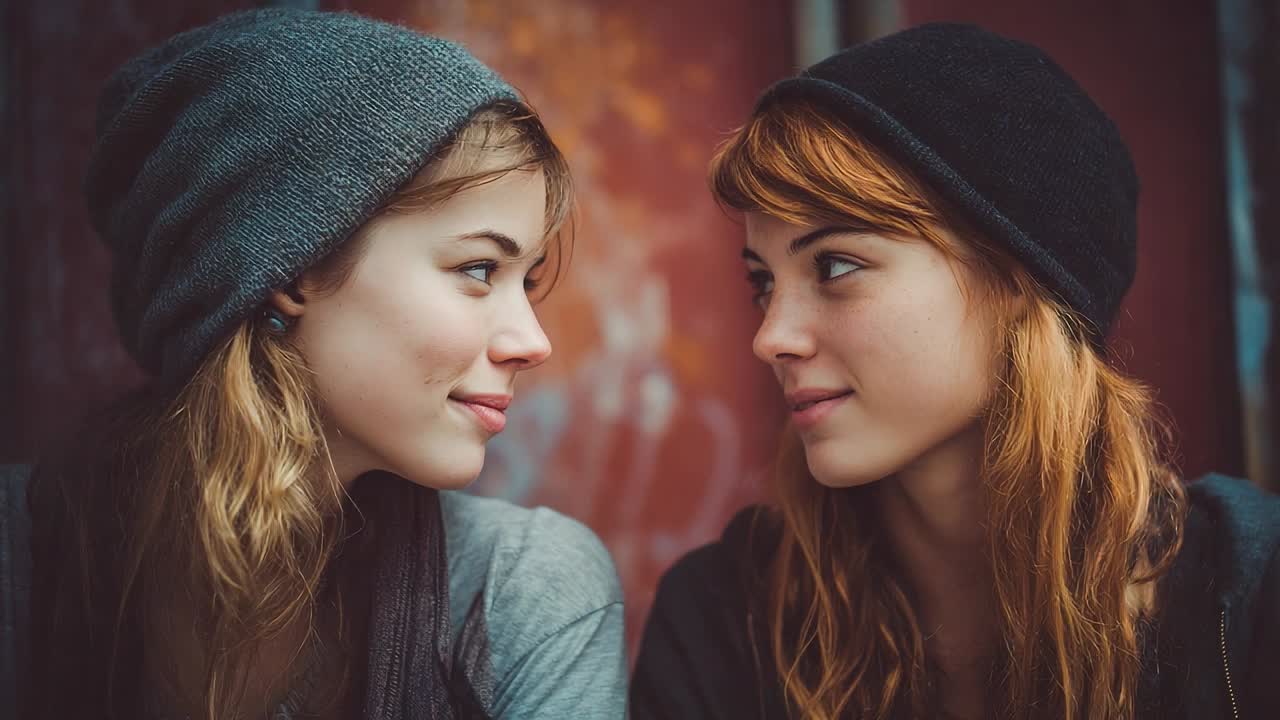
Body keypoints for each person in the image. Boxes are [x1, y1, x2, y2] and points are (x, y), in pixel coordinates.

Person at [631, 23, 1280, 720]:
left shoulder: (1251, 597)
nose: (772, 336)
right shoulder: (726, 621)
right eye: (764, 282)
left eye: (835, 266)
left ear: (1018, 285)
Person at [15, 9, 625, 719]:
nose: (533, 341)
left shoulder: (524, 591)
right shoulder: (21, 561)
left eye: (529, 279)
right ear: (290, 270)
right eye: (480, 268)